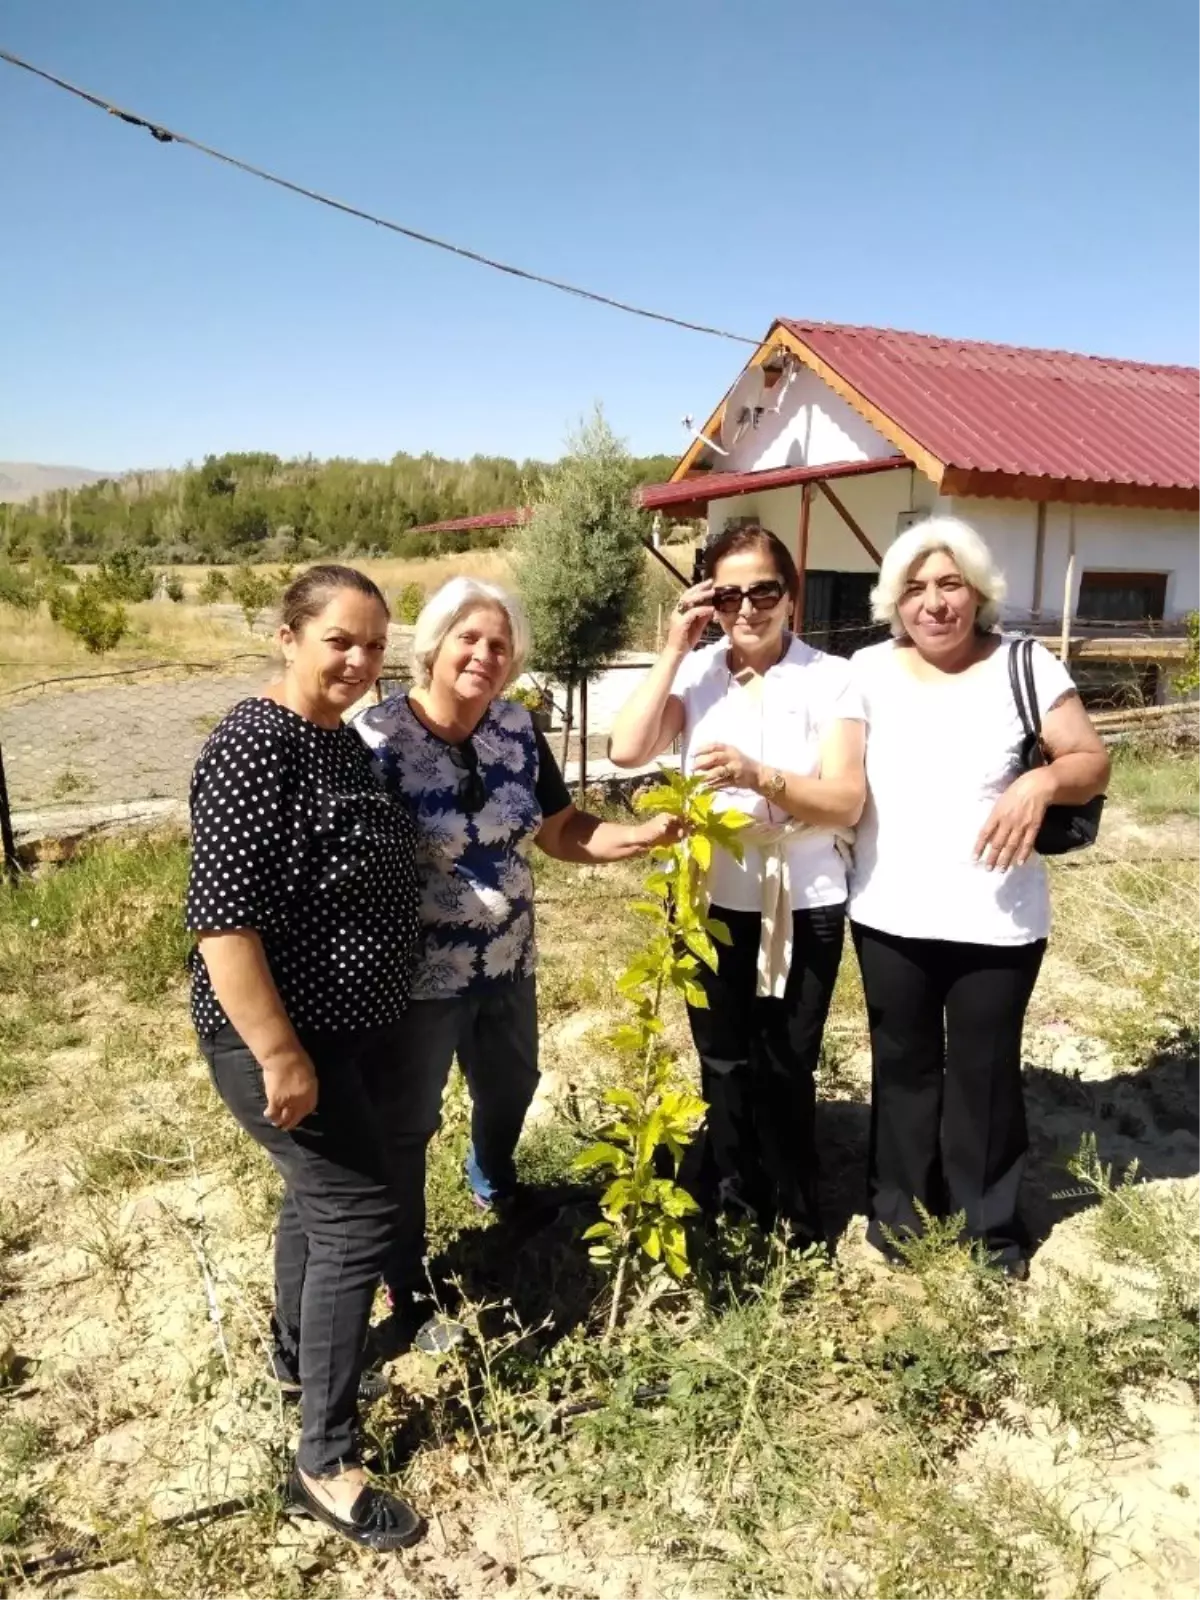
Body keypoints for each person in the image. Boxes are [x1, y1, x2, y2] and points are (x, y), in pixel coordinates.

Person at [185, 564, 428, 1551]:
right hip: (280, 1039)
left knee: (317, 1201)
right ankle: (324, 1462)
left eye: (375, 644)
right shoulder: (256, 742)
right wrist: (281, 1054)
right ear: (288, 637)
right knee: (359, 1210)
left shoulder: (336, 744)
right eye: (341, 640)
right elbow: (223, 924)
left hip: (348, 1032)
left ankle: (299, 1360)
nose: (361, 660)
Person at [356, 577, 679, 1215]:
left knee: (510, 1088)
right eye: (468, 638)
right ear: (433, 646)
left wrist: (641, 835)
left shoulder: (517, 729)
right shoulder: (376, 738)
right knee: (407, 1117)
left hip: (508, 958)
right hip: (417, 976)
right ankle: (397, 1257)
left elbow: (562, 830)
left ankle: (493, 1180)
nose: (484, 655)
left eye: (499, 645)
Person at [848, 516, 1110, 1275]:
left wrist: (1042, 779)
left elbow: (1091, 761)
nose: (934, 603)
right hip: (888, 909)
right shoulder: (865, 671)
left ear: (978, 593)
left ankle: (989, 1228)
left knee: (985, 1071)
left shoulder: (1026, 664)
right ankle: (898, 1212)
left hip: (997, 917)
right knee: (902, 1066)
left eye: (950, 584)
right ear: (894, 602)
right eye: (916, 588)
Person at [609, 523, 866, 1247]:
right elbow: (627, 748)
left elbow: (846, 800)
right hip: (708, 898)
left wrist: (760, 776)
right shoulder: (696, 675)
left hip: (804, 894)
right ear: (708, 600)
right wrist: (672, 647)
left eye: (764, 590)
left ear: (791, 594)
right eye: (729, 593)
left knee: (788, 1058)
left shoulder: (831, 677)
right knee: (721, 1054)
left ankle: (795, 1205)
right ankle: (733, 1193)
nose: (747, 607)